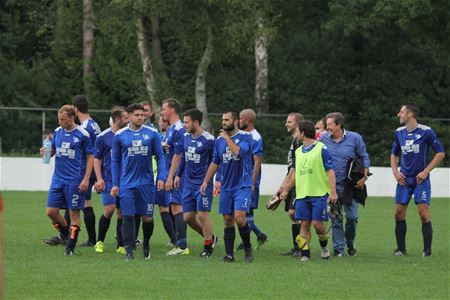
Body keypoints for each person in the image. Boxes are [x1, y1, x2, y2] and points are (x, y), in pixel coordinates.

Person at [111, 103, 166, 261]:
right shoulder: (120, 135)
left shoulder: (152, 134)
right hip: (127, 184)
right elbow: (115, 161)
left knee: (147, 218)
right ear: (128, 116)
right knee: (127, 216)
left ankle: (146, 243)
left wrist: (161, 177)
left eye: (143, 115)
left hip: (147, 184)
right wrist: (115, 184)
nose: (141, 118)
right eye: (137, 115)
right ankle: (129, 250)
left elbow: (160, 157)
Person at [390, 104, 445, 257]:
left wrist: (425, 171)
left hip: (421, 180)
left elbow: (440, 153)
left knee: (423, 213)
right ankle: (401, 249)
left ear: (410, 114)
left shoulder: (426, 132)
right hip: (404, 180)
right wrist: (395, 172)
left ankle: (427, 251)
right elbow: (394, 154)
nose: (398, 114)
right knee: (398, 213)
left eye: (401, 112)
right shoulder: (398, 133)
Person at [200, 111, 254, 263]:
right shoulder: (219, 141)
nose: (223, 122)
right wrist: (206, 181)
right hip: (226, 186)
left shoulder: (246, 137)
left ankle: (247, 246)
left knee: (240, 218)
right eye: (222, 119)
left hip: (242, 184)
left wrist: (227, 138)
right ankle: (229, 255)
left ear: (235, 121)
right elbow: (215, 162)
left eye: (227, 120)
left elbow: (238, 153)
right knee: (228, 220)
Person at [280, 120, 337, 261]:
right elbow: (296, 174)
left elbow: (330, 171)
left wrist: (333, 192)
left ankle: (324, 247)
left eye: (298, 131)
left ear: (303, 133)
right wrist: (286, 189)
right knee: (304, 223)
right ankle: (305, 254)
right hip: (302, 194)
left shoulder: (321, 148)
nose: (296, 134)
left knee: (318, 225)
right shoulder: (298, 152)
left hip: (318, 194)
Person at [41, 105, 94, 256]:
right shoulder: (58, 131)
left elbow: (90, 157)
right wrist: (46, 152)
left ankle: (70, 248)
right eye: (59, 119)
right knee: (51, 212)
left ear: (72, 118)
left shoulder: (83, 134)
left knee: (74, 214)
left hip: (75, 181)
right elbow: (53, 151)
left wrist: (86, 179)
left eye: (63, 120)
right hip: (58, 179)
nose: (60, 122)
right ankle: (66, 234)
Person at [320, 112, 370, 257]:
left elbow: (364, 157)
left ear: (338, 125)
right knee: (335, 219)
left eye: (329, 124)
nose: (326, 127)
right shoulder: (323, 140)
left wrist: (364, 177)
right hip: (330, 187)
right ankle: (339, 249)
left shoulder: (355, 138)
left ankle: (350, 242)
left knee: (352, 217)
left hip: (350, 187)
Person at [173, 108, 218, 257]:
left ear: (196, 122)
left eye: (186, 122)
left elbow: (217, 161)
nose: (184, 125)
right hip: (188, 183)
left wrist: (215, 180)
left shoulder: (209, 140)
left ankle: (207, 248)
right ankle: (211, 238)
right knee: (188, 217)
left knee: (203, 214)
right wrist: (178, 175)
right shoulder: (186, 137)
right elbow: (184, 158)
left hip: (203, 184)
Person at [93, 107, 129, 255]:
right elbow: (97, 158)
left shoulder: (128, 135)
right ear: (118, 120)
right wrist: (99, 178)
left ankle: (120, 245)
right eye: (126, 118)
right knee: (109, 209)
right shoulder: (103, 137)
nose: (129, 120)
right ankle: (99, 241)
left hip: (125, 180)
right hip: (108, 179)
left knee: (121, 213)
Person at [161, 98, 191, 255]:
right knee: (174, 207)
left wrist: (171, 177)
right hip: (170, 174)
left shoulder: (179, 129)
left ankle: (182, 246)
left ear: (172, 110)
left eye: (163, 108)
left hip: (178, 176)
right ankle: (181, 244)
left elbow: (178, 156)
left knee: (177, 207)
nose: (161, 111)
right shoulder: (171, 129)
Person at [235, 109, 268, 251]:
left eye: (241, 119)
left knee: (243, 212)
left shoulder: (255, 137)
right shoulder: (242, 135)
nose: (238, 121)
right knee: (245, 211)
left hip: (248, 181)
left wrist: (252, 182)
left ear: (247, 121)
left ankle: (257, 236)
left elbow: (257, 162)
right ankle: (256, 236)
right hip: (239, 179)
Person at [72, 95, 101, 247]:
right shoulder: (94, 124)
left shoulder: (83, 128)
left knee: (80, 202)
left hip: (86, 168)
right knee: (82, 202)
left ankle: (89, 239)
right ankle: (90, 238)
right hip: (94, 167)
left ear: (75, 109)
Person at [276, 113, 304, 256]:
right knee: (292, 216)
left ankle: (301, 248)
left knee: (295, 213)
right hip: (292, 183)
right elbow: (291, 167)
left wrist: (286, 186)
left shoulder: (301, 143)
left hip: (299, 184)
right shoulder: (294, 142)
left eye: (289, 122)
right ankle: (297, 247)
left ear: (298, 124)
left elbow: (297, 168)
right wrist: (283, 185)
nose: (286, 124)